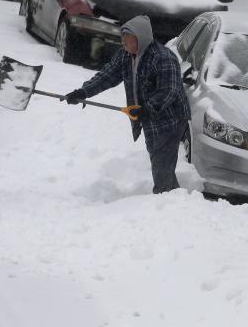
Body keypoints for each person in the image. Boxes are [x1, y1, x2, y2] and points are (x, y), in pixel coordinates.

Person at [62, 15, 190, 194]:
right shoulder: (126, 56)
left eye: (127, 41)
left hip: (171, 118)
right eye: (122, 40)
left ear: (140, 38)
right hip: (148, 117)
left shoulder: (163, 57)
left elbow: (170, 90)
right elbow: (107, 75)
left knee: (161, 160)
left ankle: (165, 199)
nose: (123, 44)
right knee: (160, 159)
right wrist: (83, 92)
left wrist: (148, 108)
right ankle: (172, 198)